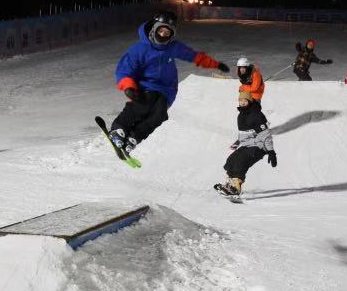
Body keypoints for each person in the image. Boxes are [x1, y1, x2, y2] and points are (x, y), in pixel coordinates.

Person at [110, 11, 229, 153]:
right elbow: (124, 70)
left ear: (172, 35)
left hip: (167, 90)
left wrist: (216, 64)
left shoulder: (173, 47)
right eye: (161, 30)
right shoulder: (139, 49)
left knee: (160, 115)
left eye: (167, 33)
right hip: (146, 86)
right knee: (145, 104)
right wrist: (128, 86)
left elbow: (194, 56)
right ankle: (119, 128)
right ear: (154, 28)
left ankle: (135, 136)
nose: (163, 35)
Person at [217, 91, 277, 196]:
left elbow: (265, 134)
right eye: (240, 100)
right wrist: (237, 142)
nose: (242, 103)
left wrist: (271, 151)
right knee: (231, 160)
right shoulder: (241, 115)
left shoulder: (256, 114)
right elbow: (245, 133)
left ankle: (236, 187)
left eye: (244, 100)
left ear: (249, 101)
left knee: (241, 160)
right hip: (247, 145)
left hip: (259, 146)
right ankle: (230, 184)